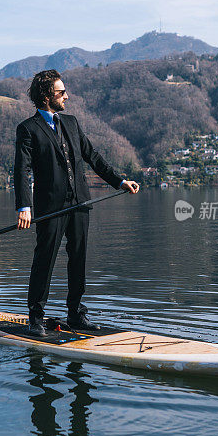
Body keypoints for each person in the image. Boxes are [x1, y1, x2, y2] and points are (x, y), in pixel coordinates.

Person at [14, 69, 139, 337]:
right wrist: (24, 207)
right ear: (47, 96)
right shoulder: (28, 129)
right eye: (61, 92)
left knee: (78, 259)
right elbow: (22, 170)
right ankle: (35, 318)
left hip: (80, 202)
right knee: (44, 260)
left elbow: (93, 156)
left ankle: (76, 315)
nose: (67, 96)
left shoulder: (71, 122)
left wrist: (119, 182)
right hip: (50, 207)